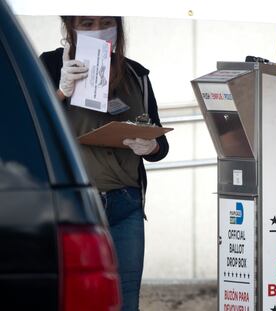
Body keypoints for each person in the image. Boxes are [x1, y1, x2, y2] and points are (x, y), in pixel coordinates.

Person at [40, 16, 169, 311]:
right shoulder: (48, 66)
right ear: (69, 27)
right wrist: (60, 93)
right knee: (76, 298)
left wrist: (151, 145)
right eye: (86, 23)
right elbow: (30, 128)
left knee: (126, 300)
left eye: (106, 21)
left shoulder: (136, 74)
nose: (97, 28)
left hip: (126, 203)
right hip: (74, 205)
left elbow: (160, 144)